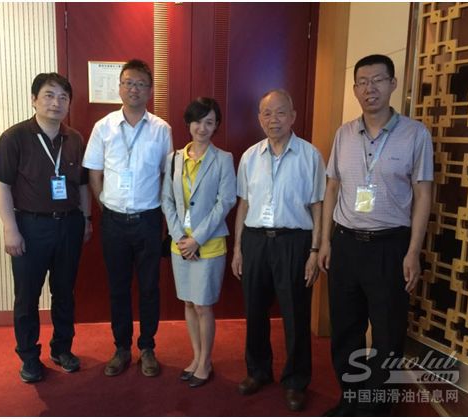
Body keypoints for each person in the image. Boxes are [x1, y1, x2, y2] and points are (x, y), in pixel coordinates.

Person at [318, 54, 433, 416]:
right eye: (363, 82)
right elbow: (332, 187)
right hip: (345, 244)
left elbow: (423, 194)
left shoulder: (415, 134)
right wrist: (325, 241)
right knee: (345, 328)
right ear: (355, 89)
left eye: (378, 80)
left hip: (389, 246)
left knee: (387, 332)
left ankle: (377, 405)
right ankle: (351, 398)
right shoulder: (343, 134)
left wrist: (413, 251)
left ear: (393, 84)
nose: (370, 88)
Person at [0, 72, 92, 383]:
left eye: (63, 97)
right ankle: (29, 358)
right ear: (34, 100)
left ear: (69, 103)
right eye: (49, 95)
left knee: (64, 292)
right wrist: (10, 228)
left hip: (69, 225)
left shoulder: (75, 139)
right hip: (30, 227)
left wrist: (86, 219)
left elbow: (82, 185)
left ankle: (62, 349)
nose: (56, 102)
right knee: (27, 296)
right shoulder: (14, 137)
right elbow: (1, 185)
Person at [231, 89, 326, 411]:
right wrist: (238, 249)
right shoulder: (249, 156)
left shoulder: (310, 156)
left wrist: (315, 251)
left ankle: (296, 381)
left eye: (281, 112)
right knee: (255, 311)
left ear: (293, 116)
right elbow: (244, 204)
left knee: (296, 315)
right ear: (259, 118)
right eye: (267, 113)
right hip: (255, 241)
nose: (274, 119)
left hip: (294, 242)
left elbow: (317, 206)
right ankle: (258, 371)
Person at [83, 59, 172, 378]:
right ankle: (121, 348)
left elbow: (167, 176)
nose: (134, 89)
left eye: (141, 84)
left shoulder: (162, 129)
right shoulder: (103, 127)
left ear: (150, 90)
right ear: (119, 87)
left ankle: (147, 347)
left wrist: (164, 217)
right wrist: (104, 205)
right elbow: (94, 172)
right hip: (114, 222)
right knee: (118, 287)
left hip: (148, 220)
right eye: (128, 83)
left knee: (149, 287)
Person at [161, 97, 236, 388]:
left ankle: (205, 361)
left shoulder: (223, 159)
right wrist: (180, 237)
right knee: (189, 303)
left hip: (209, 244)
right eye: (197, 121)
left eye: (209, 122)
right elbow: (167, 200)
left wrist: (197, 239)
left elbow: (225, 202)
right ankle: (195, 356)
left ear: (217, 126)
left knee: (203, 305)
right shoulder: (174, 158)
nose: (202, 128)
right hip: (180, 245)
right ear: (188, 123)